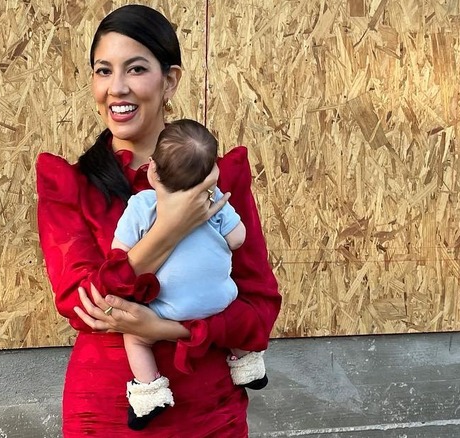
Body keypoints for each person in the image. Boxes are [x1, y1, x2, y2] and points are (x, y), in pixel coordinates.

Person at [35, 4, 281, 436]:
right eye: (103, 71)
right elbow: (84, 305)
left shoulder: (221, 180)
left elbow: (258, 309)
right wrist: (172, 227)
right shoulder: (71, 186)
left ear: (170, 81)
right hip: (109, 411)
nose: (117, 88)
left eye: (135, 69)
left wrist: (163, 328)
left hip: (210, 411)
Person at [111, 119, 269, 429]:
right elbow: (238, 239)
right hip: (220, 299)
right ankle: (248, 365)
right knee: (232, 316)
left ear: (153, 169)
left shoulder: (142, 204)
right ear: (211, 173)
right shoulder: (216, 199)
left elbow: (119, 255)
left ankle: (150, 392)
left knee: (135, 338)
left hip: (169, 308)